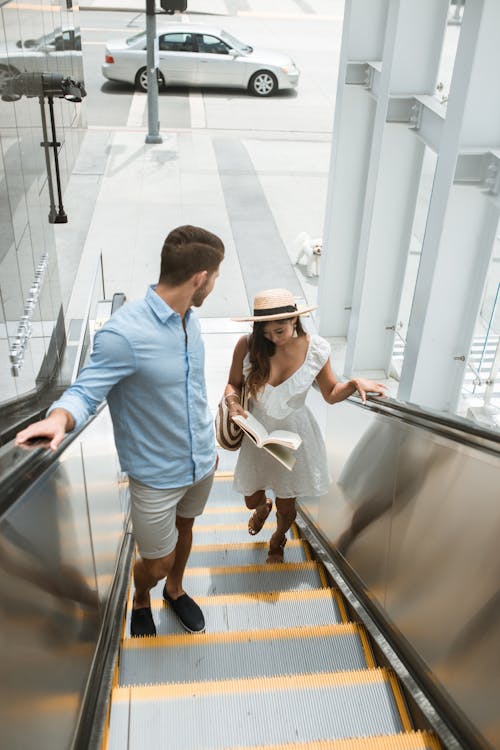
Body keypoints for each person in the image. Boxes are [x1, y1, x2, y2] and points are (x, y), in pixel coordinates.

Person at [15, 225, 225, 638]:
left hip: (201, 459)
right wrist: (58, 419)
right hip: (154, 476)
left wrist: (208, 446)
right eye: (215, 277)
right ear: (200, 278)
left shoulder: (190, 321)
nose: (215, 285)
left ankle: (176, 590)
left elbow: (193, 392)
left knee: (188, 528)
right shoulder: (124, 334)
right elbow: (86, 390)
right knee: (157, 561)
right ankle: (143, 593)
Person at [223, 288, 387, 563]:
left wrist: (353, 383)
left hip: (292, 437)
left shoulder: (316, 349)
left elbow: (331, 393)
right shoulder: (248, 345)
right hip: (257, 435)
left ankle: (279, 538)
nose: (272, 338)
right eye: (266, 332)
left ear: (294, 322)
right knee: (251, 498)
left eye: (279, 331)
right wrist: (232, 404)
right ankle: (262, 507)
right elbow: (233, 384)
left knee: (287, 505)